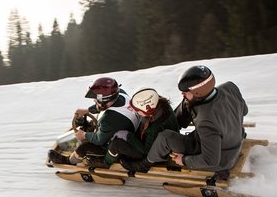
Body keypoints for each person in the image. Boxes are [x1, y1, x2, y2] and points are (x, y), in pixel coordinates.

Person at [121, 65, 249, 176]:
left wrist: (184, 160)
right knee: (188, 103)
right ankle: (166, 125)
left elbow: (211, 161)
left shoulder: (206, 122)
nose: (182, 94)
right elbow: (244, 111)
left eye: (185, 92)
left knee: (165, 137)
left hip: (223, 158)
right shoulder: (229, 87)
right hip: (232, 137)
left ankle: (144, 164)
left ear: (198, 91)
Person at [48, 77, 140, 166]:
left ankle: (69, 161)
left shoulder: (108, 119)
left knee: (85, 147)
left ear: (104, 100)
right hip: (129, 131)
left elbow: (99, 140)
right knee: (95, 124)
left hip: (118, 144)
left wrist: (84, 135)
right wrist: (87, 110)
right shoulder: (120, 94)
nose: (94, 100)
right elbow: (104, 105)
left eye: (96, 99)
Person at [100, 87, 179, 167]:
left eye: (137, 110)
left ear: (147, 110)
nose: (135, 111)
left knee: (116, 145)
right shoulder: (159, 105)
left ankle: (105, 163)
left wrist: (127, 136)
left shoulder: (155, 127)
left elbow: (146, 151)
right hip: (157, 143)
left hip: (154, 154)